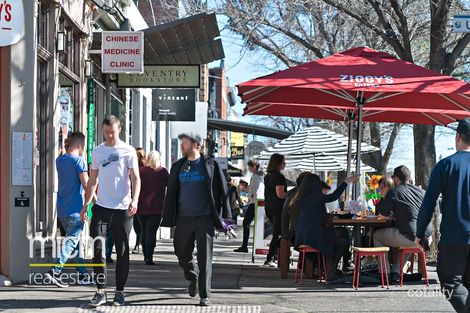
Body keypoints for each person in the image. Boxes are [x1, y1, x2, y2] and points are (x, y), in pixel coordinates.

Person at [161, 133, 230, 307]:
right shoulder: (178, 166)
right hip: (183, 217)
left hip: (204, 218)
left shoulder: (210, 164)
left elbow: (223, 190)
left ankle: (205, 295)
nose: (182, 147)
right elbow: (172, 193)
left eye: (185, 143)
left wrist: (226, 217)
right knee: (181, 252)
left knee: (205, 257)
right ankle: (193, 274)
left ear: (196, 146)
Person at [80, 115, 141, 307]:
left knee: (122, 251)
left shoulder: (128, 151)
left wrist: (135, 199)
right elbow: (93, 180)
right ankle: (100, 291)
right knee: (97, 249)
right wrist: (86, 205)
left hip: (123, 209)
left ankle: (120, 292)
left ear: (119, 130)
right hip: (101, 208)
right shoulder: (97, 151)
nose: (109, 136)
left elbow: (136, 178)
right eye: (106, 133)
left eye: (112, 132)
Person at [416, 118, 470, 313]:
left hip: (454, 236)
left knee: (450, 284)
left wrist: (419, 232)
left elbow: (429, 202)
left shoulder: (445, 165)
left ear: (458, 137)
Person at [44, 132, 91, 288]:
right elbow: (86, 185)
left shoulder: (60, 160)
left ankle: (84, 275)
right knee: (71, 242)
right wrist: (93, 201)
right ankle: (55, 271)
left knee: (74, 245)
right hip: (76, 210)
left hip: (62, 210)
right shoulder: (79, 161)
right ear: (80, 146)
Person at [293, 173, 359, 282]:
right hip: (313, 238)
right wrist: (346, 182)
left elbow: (313, 215)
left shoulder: (300, 197)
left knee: (341, 233)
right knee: (342, 241)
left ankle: (331, 269)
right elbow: (333, 197)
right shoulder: (314, 196)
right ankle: (332, 270)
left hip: (302, 237)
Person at [373, 166, 432, 281]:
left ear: (395, 179)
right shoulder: (422, 191)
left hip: (412, 237)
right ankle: (396, 271)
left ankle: (384, 273)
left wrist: (383, 194)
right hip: (428, 237)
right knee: (409, 237)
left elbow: (381, 213)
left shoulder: (395, 191)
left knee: (376, 235)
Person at [138, 150, 169, 265]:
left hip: (141, 207)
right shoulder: (163, 172)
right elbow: (170, 186)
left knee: (144, 231)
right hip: (157, 207)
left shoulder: (141, 171)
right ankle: (149, 257)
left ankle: (146, 254)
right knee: (151, 233)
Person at [234, 160, 264, 253]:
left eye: (250, 167)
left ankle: (245, 246)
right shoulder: (260, 176)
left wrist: (251, 197)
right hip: (256, 202)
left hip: (255, 203)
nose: (249, 169)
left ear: (254, 166)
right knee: (248, 224)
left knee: (246, 223)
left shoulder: (256, 177)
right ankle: (245, 246)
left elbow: (256, 190)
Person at [263, 153, 287, 267]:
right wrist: (292, 194)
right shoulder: (279, 177)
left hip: (269, 207)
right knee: (278, 234)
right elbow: (280, 194)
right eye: (283, 162)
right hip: (278, 208)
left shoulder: (268, 176)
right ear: (278, 163)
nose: (285, 164)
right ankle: (270, 258)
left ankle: (275, 257)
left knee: (278, 233)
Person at [281, 172, 311, 244]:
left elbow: (285, 215)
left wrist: (286, 234)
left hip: (294, 234)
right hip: (301, 235)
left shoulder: (292, 193)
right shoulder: (305, 195)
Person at [132, 147, 145, 254]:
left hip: (141, 198)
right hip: (135, 198)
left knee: (139, 223)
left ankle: (138, 243)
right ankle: (138, 243)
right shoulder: (132, 166)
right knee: (136, 223)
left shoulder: (143, 168)